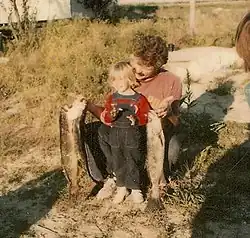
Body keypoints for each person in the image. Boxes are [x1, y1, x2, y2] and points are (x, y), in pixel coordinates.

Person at [86, 33, 182, 200]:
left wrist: (168, 111)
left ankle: (146, 179)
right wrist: (89, 106)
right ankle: (111, 177)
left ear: (158, 66)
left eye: (146, 66)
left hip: (153, 135)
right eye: (135, 63)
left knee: (173, 149)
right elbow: (110, 113)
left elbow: (175, 122)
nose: (138, 70)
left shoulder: (171, 81)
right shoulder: (126, 76)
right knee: (92, 131)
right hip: (125, 132)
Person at [98, 61, 150, 204]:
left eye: (121, 78)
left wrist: (137, 119)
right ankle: (121, 188)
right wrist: (112, 115)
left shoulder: (139, 99)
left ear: (130, 79)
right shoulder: (112, 98)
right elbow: (107, 117)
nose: (117, 82)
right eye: (114, 79)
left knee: (133, 160)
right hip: (116, 135)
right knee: (118, 161)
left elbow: (146, 116)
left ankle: (135, 188)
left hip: (132, 136)